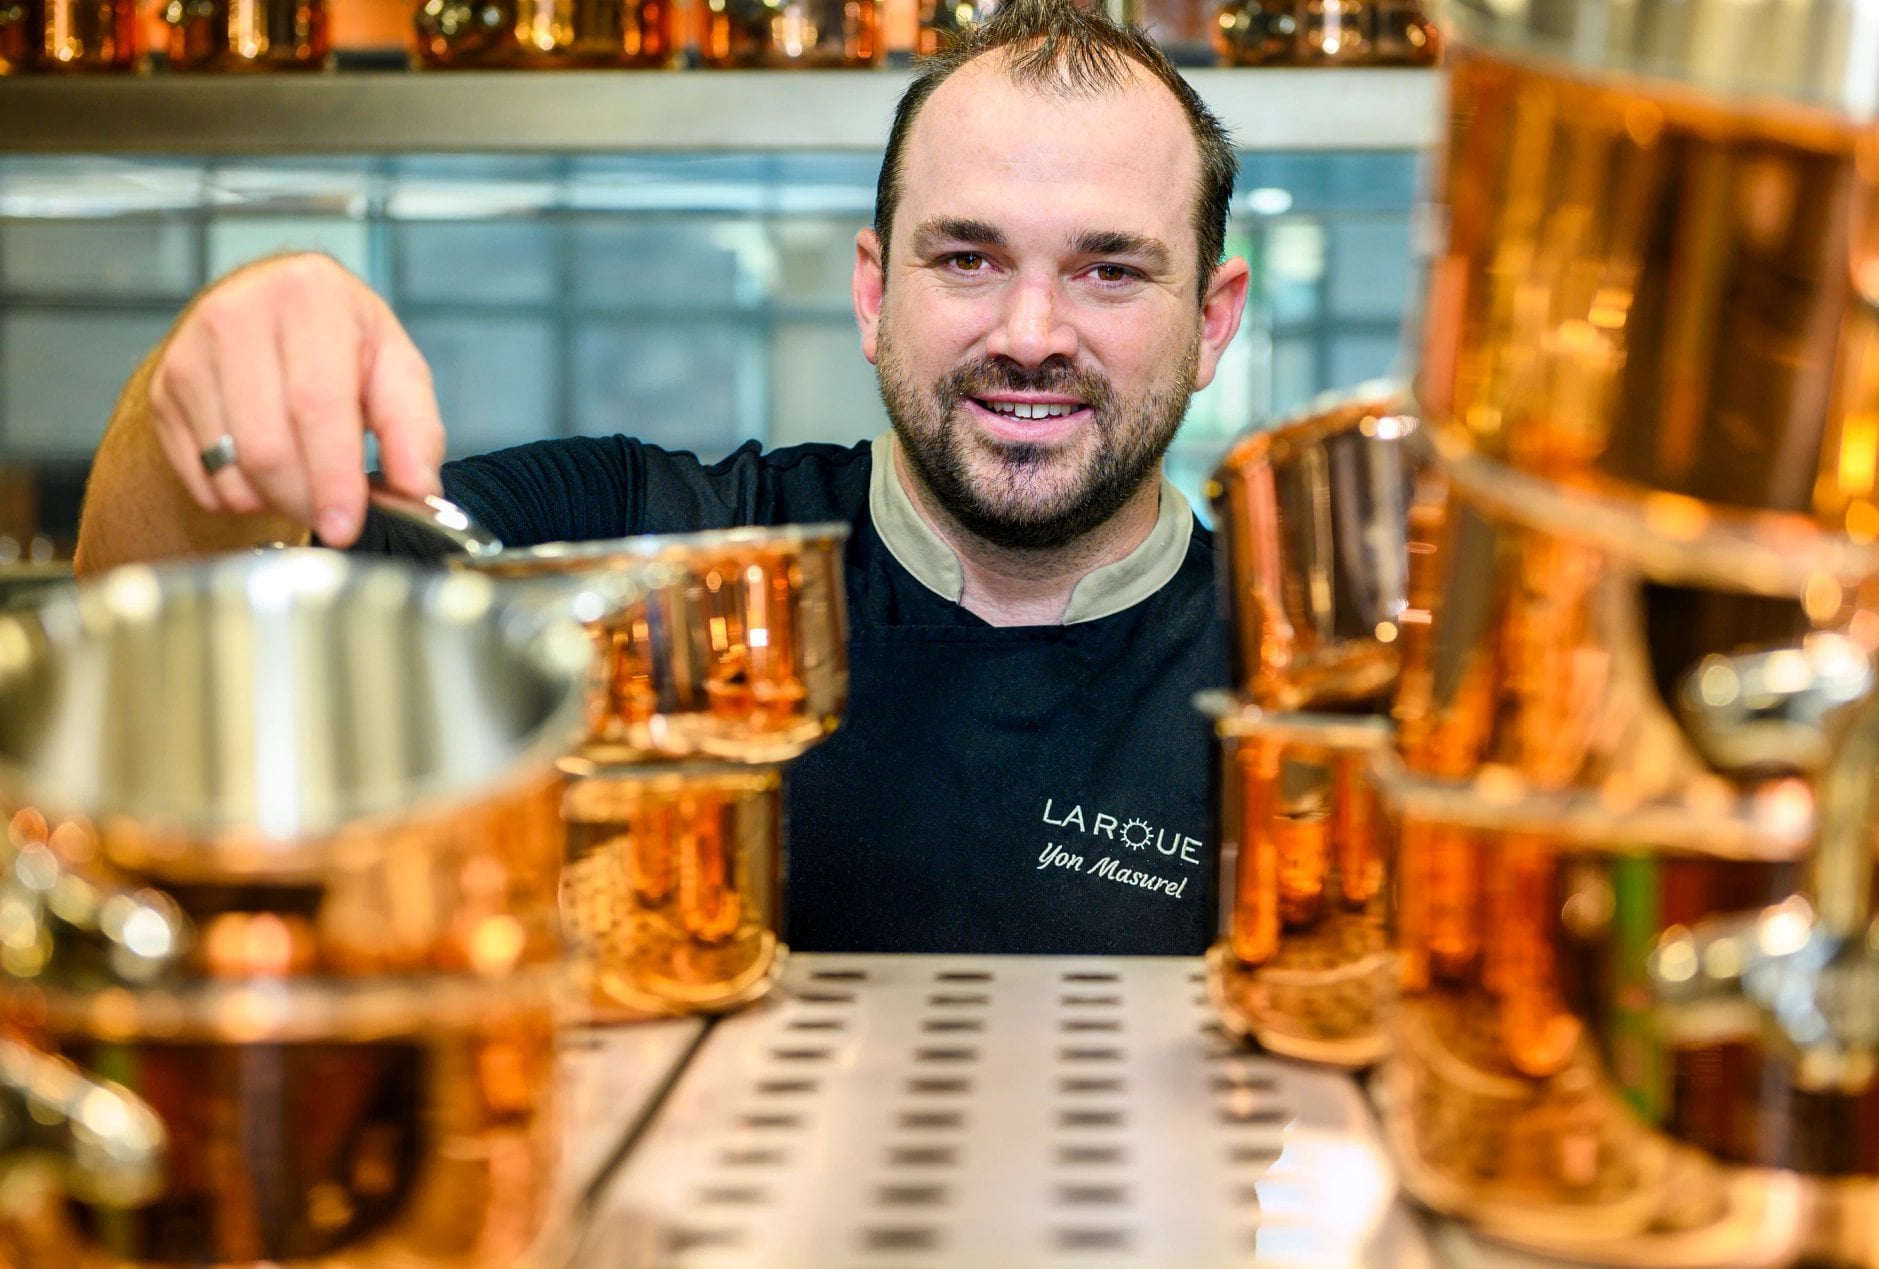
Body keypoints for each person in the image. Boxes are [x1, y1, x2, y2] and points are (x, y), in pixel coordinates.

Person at [74, 0, 1251, 955]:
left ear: (1209, 320)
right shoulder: (638, 539)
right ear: (873, 293)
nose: (1031, 330)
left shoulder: (1294, 671)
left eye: (1108, 271)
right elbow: (164, 651)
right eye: (966, 257)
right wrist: (199, 401)